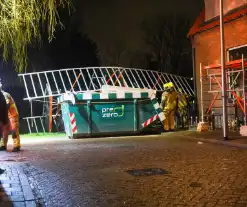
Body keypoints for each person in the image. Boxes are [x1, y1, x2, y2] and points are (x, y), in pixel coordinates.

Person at [0, 86, 20, 152]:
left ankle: (16, 145)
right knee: (4, 131)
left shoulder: (5, 95)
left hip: (12, 115)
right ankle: (3, 145)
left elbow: (7, 105)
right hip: (5, 114)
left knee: (14, 131)